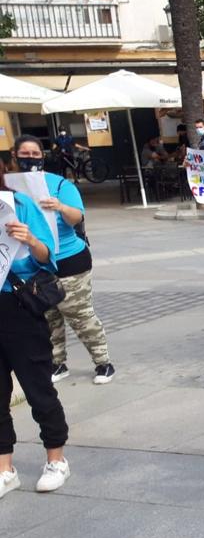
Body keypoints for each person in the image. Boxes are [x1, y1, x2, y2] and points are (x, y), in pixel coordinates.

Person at [12, 136, 115, 386]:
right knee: (47, 316)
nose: (30, 158)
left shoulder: (59, 185)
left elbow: (76, 217)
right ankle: (57, 362)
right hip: (33, 264)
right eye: (24, 154)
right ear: (14, 156)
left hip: (69, 260)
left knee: (78, 314)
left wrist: (59, 207)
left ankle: (103, 362)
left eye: (35, 154)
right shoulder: (9, 188)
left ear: (43, 156)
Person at [0, 158, 72, 497]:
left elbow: (47, 257)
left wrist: (28, 238)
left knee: (37, 387)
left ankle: (56, 459)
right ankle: (5, 469)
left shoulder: (20, 204)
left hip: (19, 306)